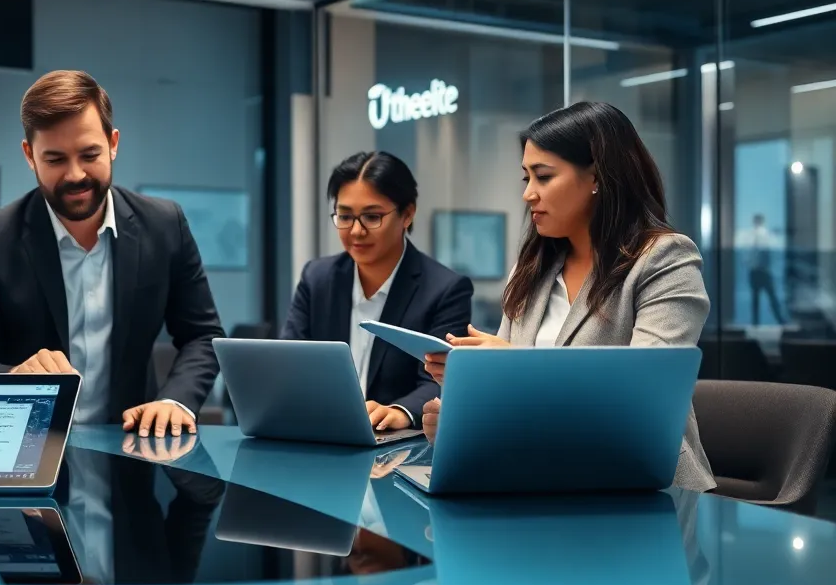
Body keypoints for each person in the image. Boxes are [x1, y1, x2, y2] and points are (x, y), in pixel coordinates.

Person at [420, 101, 715, 492]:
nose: (528, 194)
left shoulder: (665, 259)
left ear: (597, 176)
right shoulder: (532, 269)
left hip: (644, 493)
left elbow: (643, 401)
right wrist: (463, 420)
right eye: (525, 178)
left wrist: (511, 365)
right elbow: (520, 405)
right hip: (541, 479)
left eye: (543, 177)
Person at [0, 70, 224, 437]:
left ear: (113, 143)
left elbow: (202, 336)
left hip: (132, 451)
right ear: (30, 155)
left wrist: (174, 401)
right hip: (27, 446)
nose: (76, 175)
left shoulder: (164, 224)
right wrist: (15, 375)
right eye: (56, 159)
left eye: (89, 154)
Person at [282, 151, 472, 430]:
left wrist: (400, 411)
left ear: (407, 214)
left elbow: (441, 378)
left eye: (371, 217)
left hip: (393, 449)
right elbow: (289, 362)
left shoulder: (444, 289)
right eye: (345, 216)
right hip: (322, 432)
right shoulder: (318, 278)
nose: (356, 231)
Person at [749, 213, 786, 325]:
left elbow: (754, 254)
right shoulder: (763, 234)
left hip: (756, 270)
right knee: (771, 295)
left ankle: (756, 322)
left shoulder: (754, 235)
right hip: (762, 270)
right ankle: (780, 320)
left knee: (757, 297)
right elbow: (764, 252)